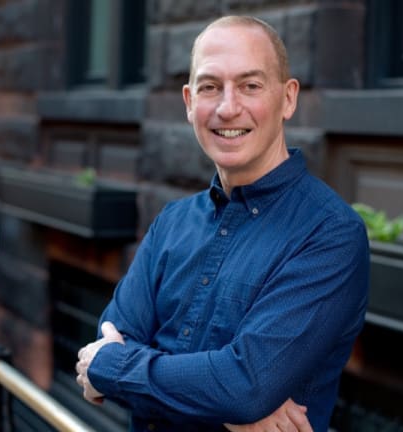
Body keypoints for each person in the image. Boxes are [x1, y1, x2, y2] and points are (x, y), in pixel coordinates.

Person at [76, 15, 369, 432]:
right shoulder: (172, 222)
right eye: (210, 87)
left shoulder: (330, 234)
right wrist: (229, 406)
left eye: (250, 86)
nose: (228, 107)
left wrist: (116, 371)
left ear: (287, 99)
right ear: (189, 102)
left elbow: (244, 386)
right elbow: (112, 339)